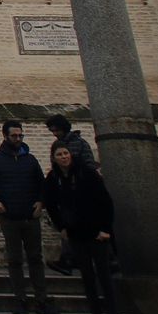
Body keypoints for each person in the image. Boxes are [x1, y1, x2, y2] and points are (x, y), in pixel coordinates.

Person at [0, 121, 57, 314]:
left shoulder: (30, 160)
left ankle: (41, 298)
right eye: (14, 136)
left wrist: (40, 202)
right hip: (10, 217)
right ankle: (20, 298)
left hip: (30, 216)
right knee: (15, 259)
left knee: (36, 258)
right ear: (5, 136)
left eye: (20, 135)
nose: (18, 139)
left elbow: (42, 184)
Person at [43, 145, 118, 314]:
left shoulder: (87, 173)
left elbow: (105, 201)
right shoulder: (54, 178)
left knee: (104, 275)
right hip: (76, 234)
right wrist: (61, 227)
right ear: (54, 158)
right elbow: (51, 205)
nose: (63, 157)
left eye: (65, 153)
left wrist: (106, 229)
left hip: (97, 232)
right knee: (87, 277)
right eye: (59, 154)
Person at [43, 114, 97, 275]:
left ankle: (73, 259)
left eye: (56, 130)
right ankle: (69, 259)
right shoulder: (59, 145)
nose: (54, 133)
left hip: (80, 193)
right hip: (65, 193)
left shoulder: (78, 144)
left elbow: (88, 167)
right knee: (67, 226)